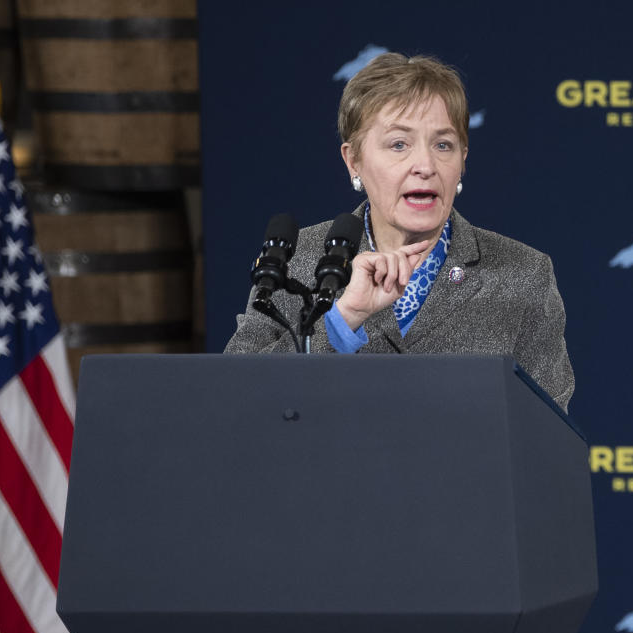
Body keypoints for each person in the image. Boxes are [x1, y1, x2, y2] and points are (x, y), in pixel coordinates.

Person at [225, 52, 575, 412]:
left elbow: (547, 443)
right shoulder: (298, 262)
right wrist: (341, 321)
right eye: (398, 144)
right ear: (353, 161)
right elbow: (235, 400)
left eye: (443, 145)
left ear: (463, 159)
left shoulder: (524, 274)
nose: (425, 165)